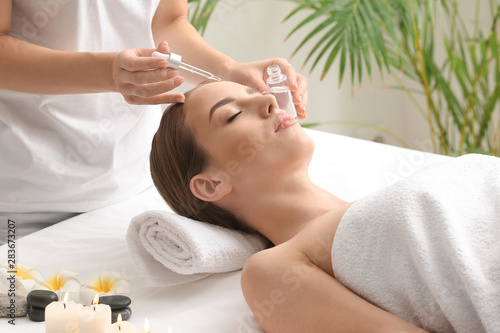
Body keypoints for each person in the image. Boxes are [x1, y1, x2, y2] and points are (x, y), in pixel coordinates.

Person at [149, 80, 500, 333]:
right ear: (212, 184)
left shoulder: (380, 200)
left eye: (256, 92)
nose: (270, 100)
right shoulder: (273, 271)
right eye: (234, 114)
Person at [0, 0, 308, 243]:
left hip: (135, 182)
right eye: (232, 115)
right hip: (30, 190)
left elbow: (167, 22)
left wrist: (228, 70)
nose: (268, 101)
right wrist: (108, 72)